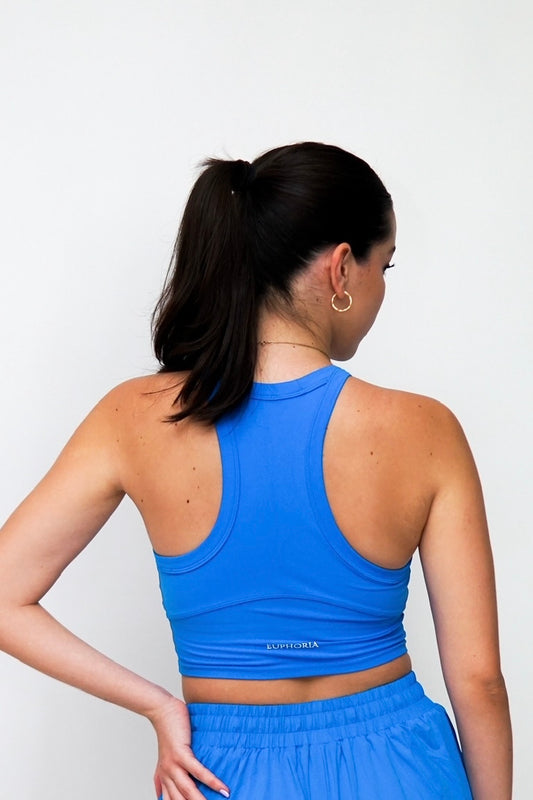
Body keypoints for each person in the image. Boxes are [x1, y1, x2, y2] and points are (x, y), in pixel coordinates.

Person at [0, 142, 512, 800]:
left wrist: (156, 705)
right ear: (341, 269)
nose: (382, 289)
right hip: (400, 765)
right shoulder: (424, 429)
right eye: (384, 266)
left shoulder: (134, 417)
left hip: (221, 774)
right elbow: (479, 682)